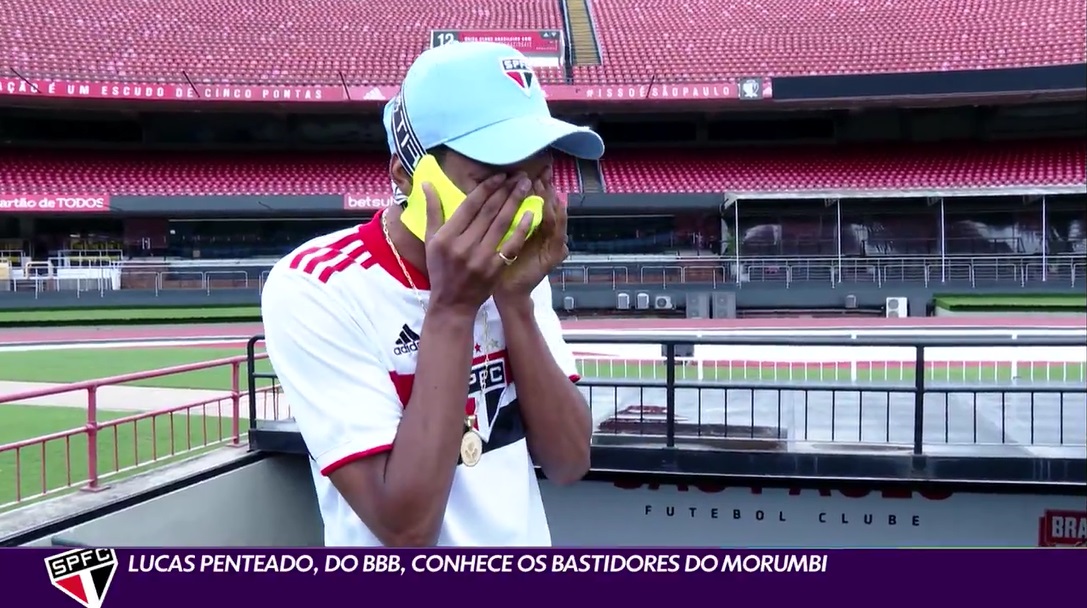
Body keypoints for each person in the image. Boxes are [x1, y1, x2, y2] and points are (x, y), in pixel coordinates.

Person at [260, 41, 605, 547]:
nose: (523, 203)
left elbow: (569, 459)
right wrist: (454, 308)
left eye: (540, 176)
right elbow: (405, 528)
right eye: (494, 180)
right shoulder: (317, 285)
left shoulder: (516, 271)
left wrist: (515, 304)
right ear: (406, 174)